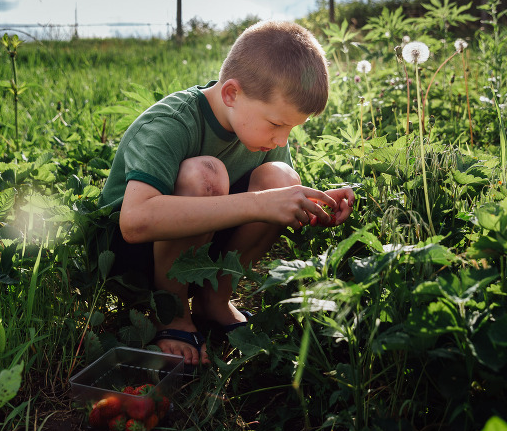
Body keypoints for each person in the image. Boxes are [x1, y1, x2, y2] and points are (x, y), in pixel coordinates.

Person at [98, 20, 355, 367]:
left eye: (291, 129)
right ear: (231, 93)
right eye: (277, 124)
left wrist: (313, 206)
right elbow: (134, 222)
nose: (282, 139)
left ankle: (213, 301)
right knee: (205, 174)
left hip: (200, 242)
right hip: (130, 257)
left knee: (281, 176)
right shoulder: (173, 122)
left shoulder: (258, 131)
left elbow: (274, 195)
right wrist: (260, 203)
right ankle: (169, 312)